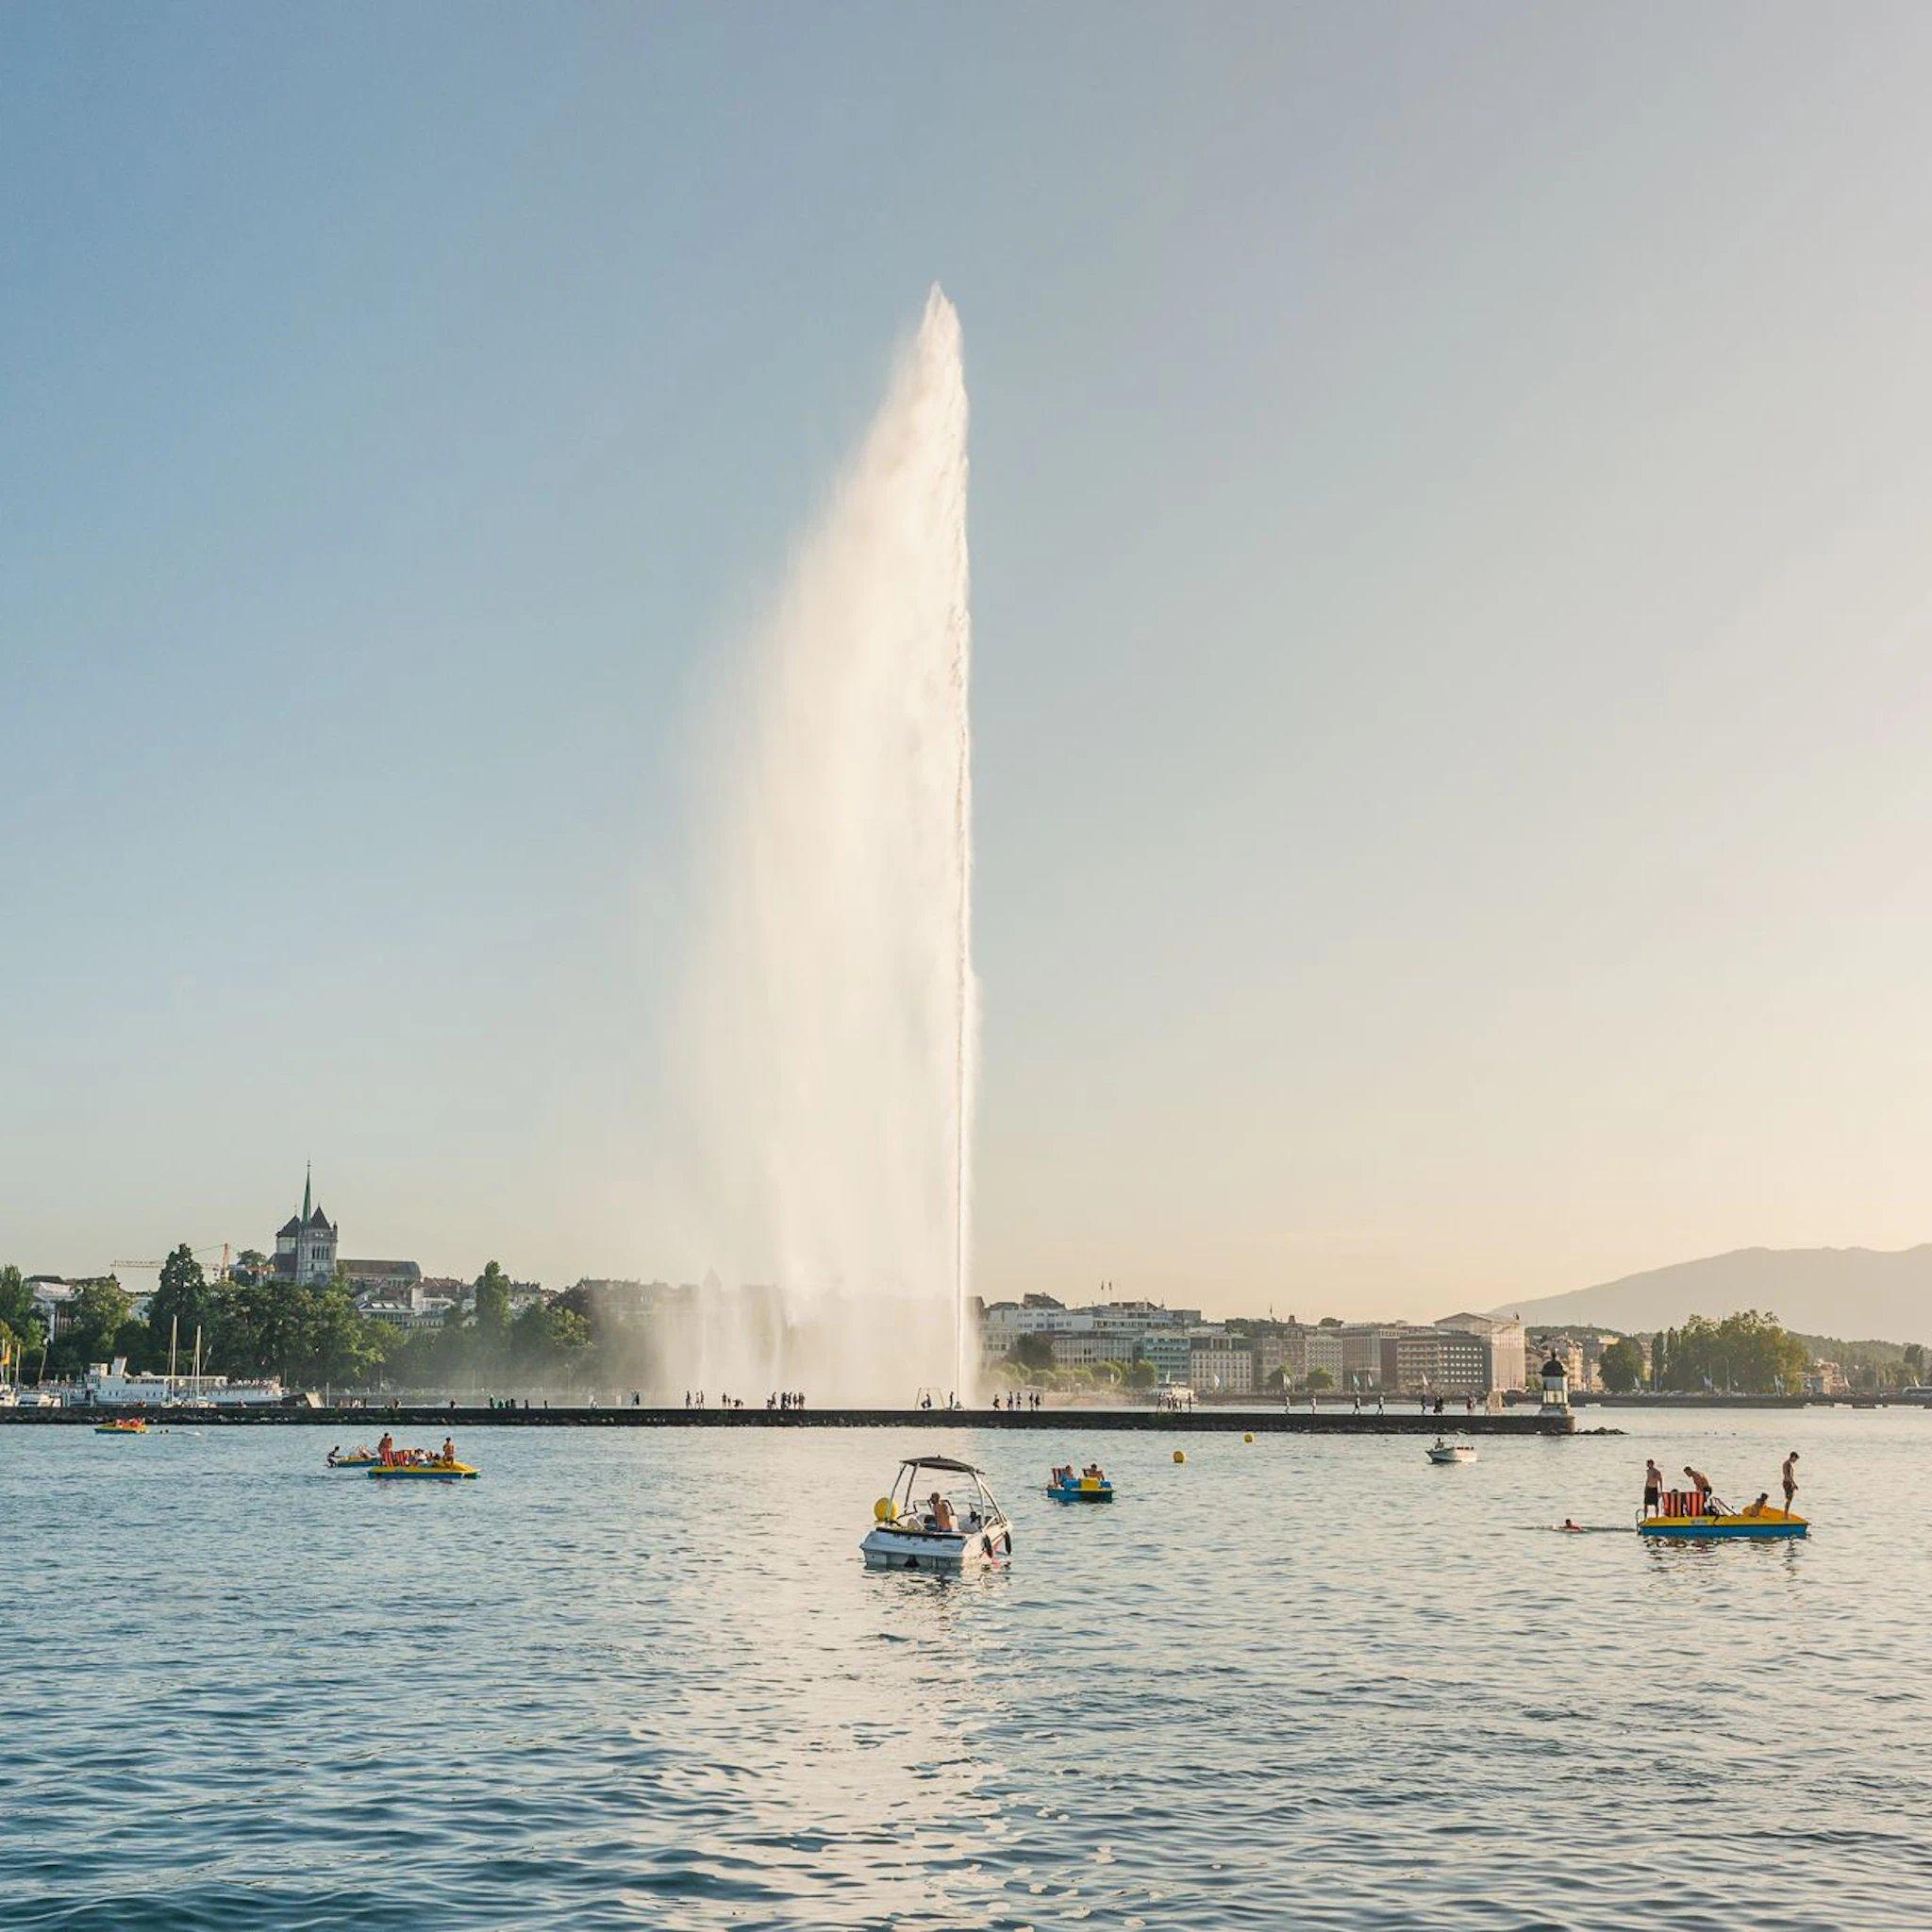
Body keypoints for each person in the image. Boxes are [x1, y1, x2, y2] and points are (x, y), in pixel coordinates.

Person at [1782, 1449, 1799, 1513]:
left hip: (1787, 1482)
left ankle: (1786, 1512)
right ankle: (1786, 1513)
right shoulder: (1788, 1464)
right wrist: (1794, 1484)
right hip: (1788, 1482)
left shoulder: (1787, 1463)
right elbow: (1788, 1475)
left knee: (1789, 1499)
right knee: (1789, 1499)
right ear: (1793, 1457)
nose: (1795, 1460)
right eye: (1795, 1459)